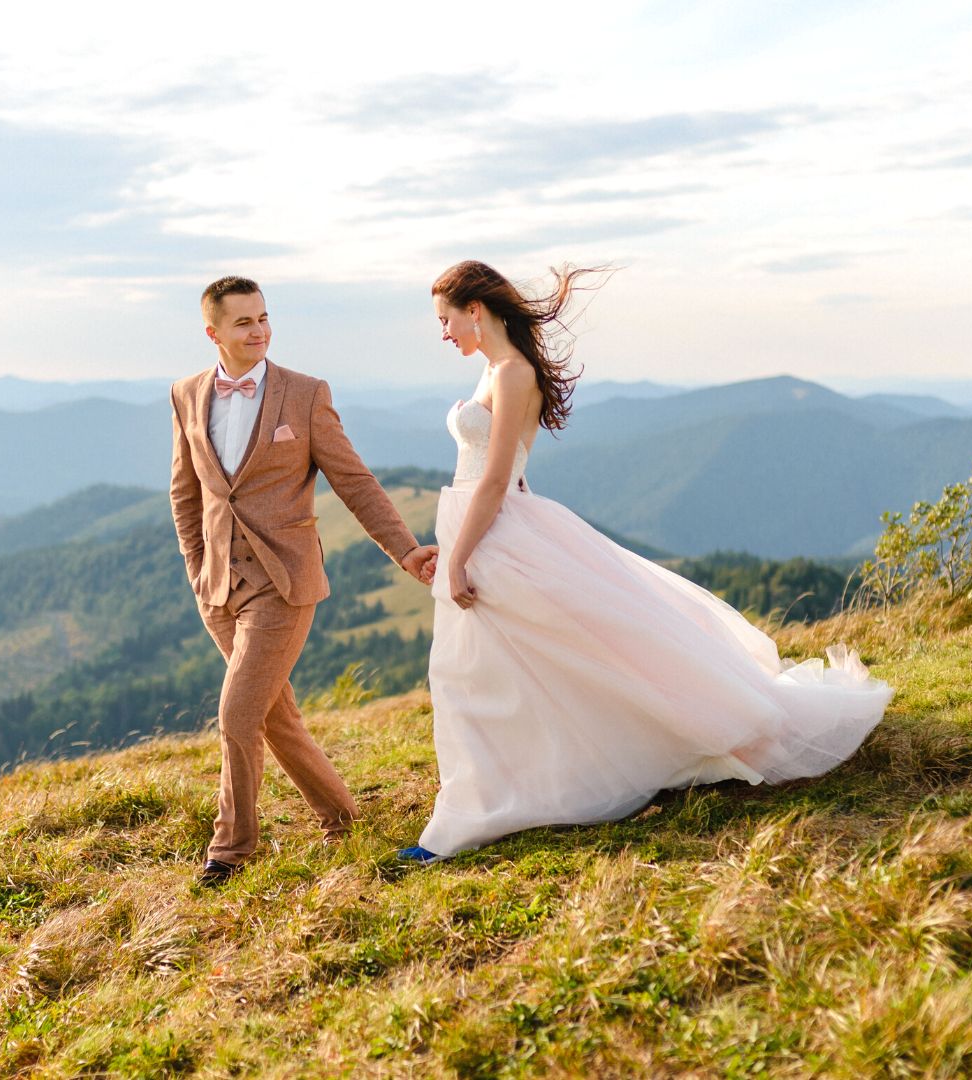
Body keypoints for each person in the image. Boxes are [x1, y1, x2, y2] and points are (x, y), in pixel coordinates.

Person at [397, 261, 892, 863]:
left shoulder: (511, 373)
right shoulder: (494, 371)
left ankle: (469, 816)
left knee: (480, 672)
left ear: (474, 309)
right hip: (485, 528)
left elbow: (499, 477)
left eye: (445, 319)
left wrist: (460, 559)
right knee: (488, 671)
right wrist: (451, 545)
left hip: (494, 529)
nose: (442, 332)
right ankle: (489, 799)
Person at [169, 275, 438, 887]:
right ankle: (343, 819)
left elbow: (355, 482)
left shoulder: (305, 394)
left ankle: (231, 851)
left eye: (264, 318)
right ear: (213, 332)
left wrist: (406, 552)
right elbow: (185, 494)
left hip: (284, 583)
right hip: (217, 588)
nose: (259, 330)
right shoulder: (186, 394)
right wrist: (196, 570)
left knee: (238, 716)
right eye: (243, 322)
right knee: (274, 717)